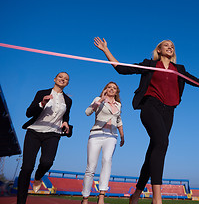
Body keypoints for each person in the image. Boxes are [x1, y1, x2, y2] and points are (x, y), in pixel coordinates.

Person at [94, 37, 199, 204]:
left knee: (154, 151)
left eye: (172, 46)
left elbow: (198, 82)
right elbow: (122, 69)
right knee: (162, 143)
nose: (170, 47)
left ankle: (136, 195)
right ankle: (157, 198)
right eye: (166, 45)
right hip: (150, 106)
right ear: (159, 50)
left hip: (169, 111)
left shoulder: (179, 69)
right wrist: (105, 50)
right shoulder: (150, 64)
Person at [17, 72, 72, 204]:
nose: (63, 79)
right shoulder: (42, 93)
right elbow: (28, 113)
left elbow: (66, 115)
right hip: (34, 131)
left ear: (67, 83)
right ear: (54, 79)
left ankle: (38, 176)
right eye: (60, 77)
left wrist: (66, 123)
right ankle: (21, 201)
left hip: (53, 133)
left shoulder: (68, 100)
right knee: (27, 168)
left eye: (66, 79)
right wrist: (42, 103)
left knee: (47, 162)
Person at [81, 82, 125, 204]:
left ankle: (101, 195)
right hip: (96, 134)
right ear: (105, 89)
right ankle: (85, 197)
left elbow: (119, 120)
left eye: (114, 88)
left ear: (116, 92)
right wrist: (100, 99)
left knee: (107, 160)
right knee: (91, 167)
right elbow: (88, 112)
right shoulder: (98, 100)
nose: (111, 89)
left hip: (111, 136)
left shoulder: (119, 105)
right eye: (109, 87)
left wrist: (122, 135)